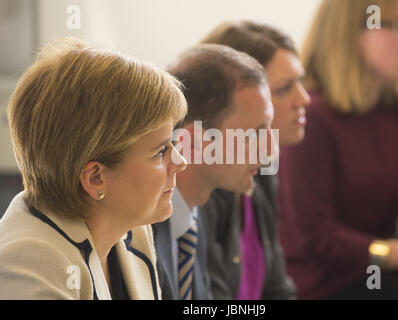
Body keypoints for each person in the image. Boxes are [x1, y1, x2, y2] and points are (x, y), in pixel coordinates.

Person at [278, 0, 398, 300]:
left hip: (376, 272)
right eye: (395, 25)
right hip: (322, 284)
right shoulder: (311, 116)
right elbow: (315, 238)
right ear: (350, 34)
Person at [0, 38, 187, 299]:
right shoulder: (29, 264)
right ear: (96, 178)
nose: (180, 162)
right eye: (160, 152)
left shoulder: (130, 231)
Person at [199, 20, 311, 299]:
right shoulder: (202, 188)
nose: (305, 98)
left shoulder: (263, 171)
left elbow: (278, 289)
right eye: (285, 88)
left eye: (301, 82)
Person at [153, 44, 275, 299]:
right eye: (254, 134)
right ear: (194, 143)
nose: (269, 151)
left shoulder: (196, 217)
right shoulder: (137, 230)